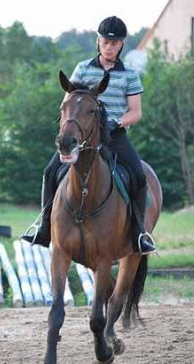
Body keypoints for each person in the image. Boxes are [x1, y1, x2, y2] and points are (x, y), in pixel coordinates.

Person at [21, 16, 156, 254]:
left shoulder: (129, 76)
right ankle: (43, 229)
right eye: (106, 42)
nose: (110, 46)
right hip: (81, 136)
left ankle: (138, 234)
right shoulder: (83, 68)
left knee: (138, 174)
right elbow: (67, 103)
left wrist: (116, 122)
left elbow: (135, 113)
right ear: (98, 41)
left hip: (114, 136)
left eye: (115, 43)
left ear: (121, 45)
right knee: (50, 171)